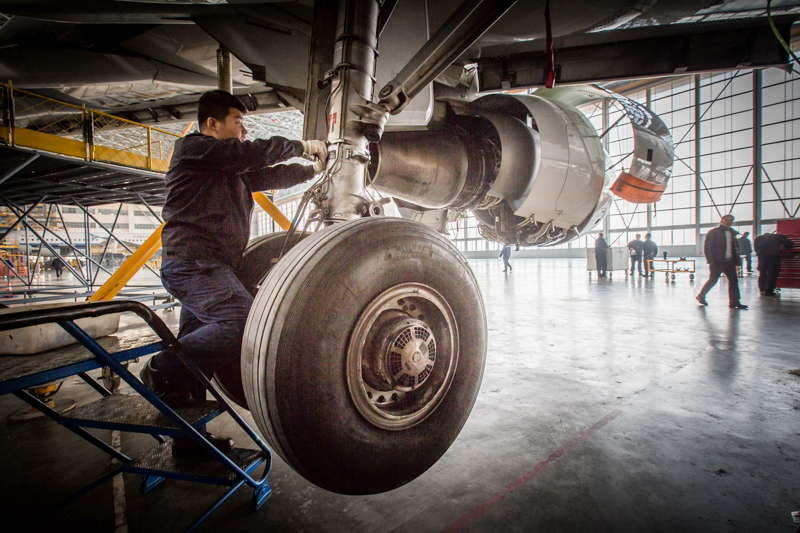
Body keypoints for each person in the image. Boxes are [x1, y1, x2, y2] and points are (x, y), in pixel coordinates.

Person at [139, 90, 326, 456]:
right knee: (242, 322)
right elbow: (248, 153)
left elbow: (264, 173)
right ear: (213, 124)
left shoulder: (226, 169)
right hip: (195, 263)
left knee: (197, 359)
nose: (243, 131)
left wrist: (314, 170)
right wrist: (301, 145)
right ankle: (160, 369)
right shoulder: (194, 149)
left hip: (209, 268)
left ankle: (187, 444)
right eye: (238, 122)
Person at [696, 214, 747, 309]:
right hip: (717, 262)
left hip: (730, 261)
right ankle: (701, 295)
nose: (728, 222)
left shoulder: (733, 233)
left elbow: (735, 248)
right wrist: (711, 260)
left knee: (733, 281)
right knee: (713, 280)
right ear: (722, 220)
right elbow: (708, 247)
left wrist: (736, 261)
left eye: (731, 220)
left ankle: (735, 302)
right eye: (726, 220)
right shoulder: (713, 232)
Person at [754, 231, 795, 296]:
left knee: (762, 272)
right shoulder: (777, 236)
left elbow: (756, 249)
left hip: (762, 257)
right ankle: (769, 291)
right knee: (772, 273)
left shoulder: (758, 238)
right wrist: (785, 248)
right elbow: (790, 244)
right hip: (774, 256)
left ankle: (762, 289)